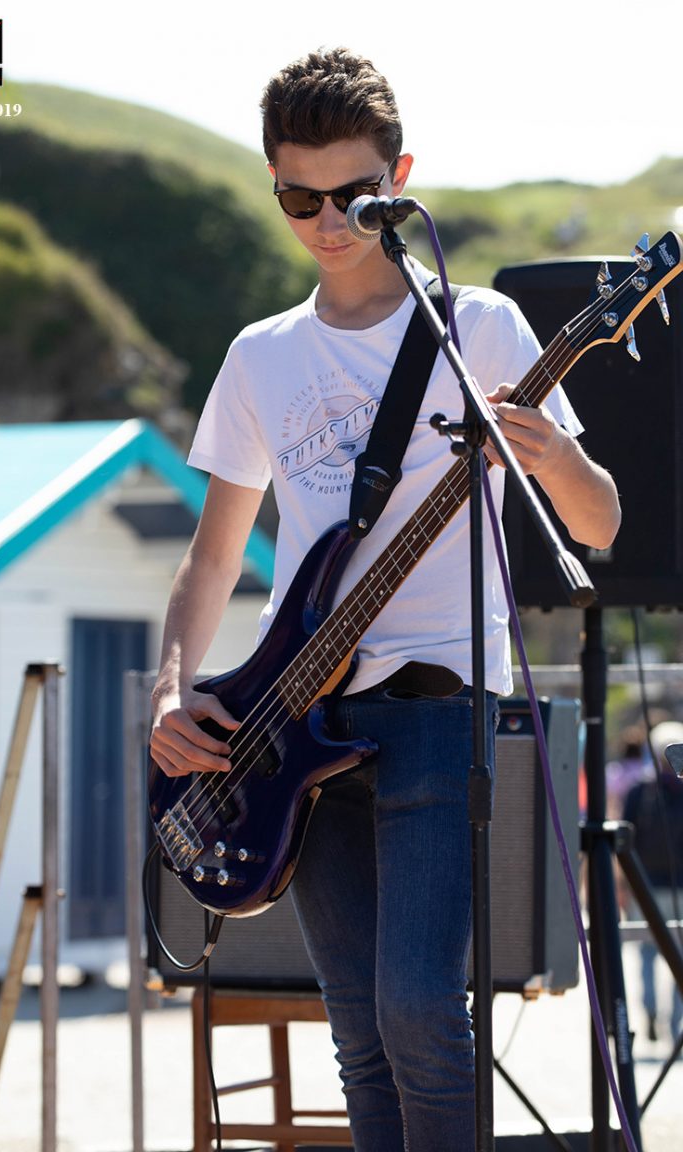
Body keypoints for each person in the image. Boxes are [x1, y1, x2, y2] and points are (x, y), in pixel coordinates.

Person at [149, 47, 621, 1151]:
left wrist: (551, 456)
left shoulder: (484, 328)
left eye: (352, 197)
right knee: (358, 1031)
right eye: (297, 199)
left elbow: (598, 524)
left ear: (399, 180)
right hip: (290, 718)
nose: (326, 222)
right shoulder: (261, 355)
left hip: (439, 711)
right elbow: (212, 560)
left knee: (419, 1011)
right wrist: (171, 692)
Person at [622, 721, 683, 1044]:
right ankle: (675, 1025)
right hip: (681, 889)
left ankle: (649, 1010)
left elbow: (624, 843)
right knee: (680, 958)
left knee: (646, 953)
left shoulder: (638, 791)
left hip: (644, 885)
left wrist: (623, 886)